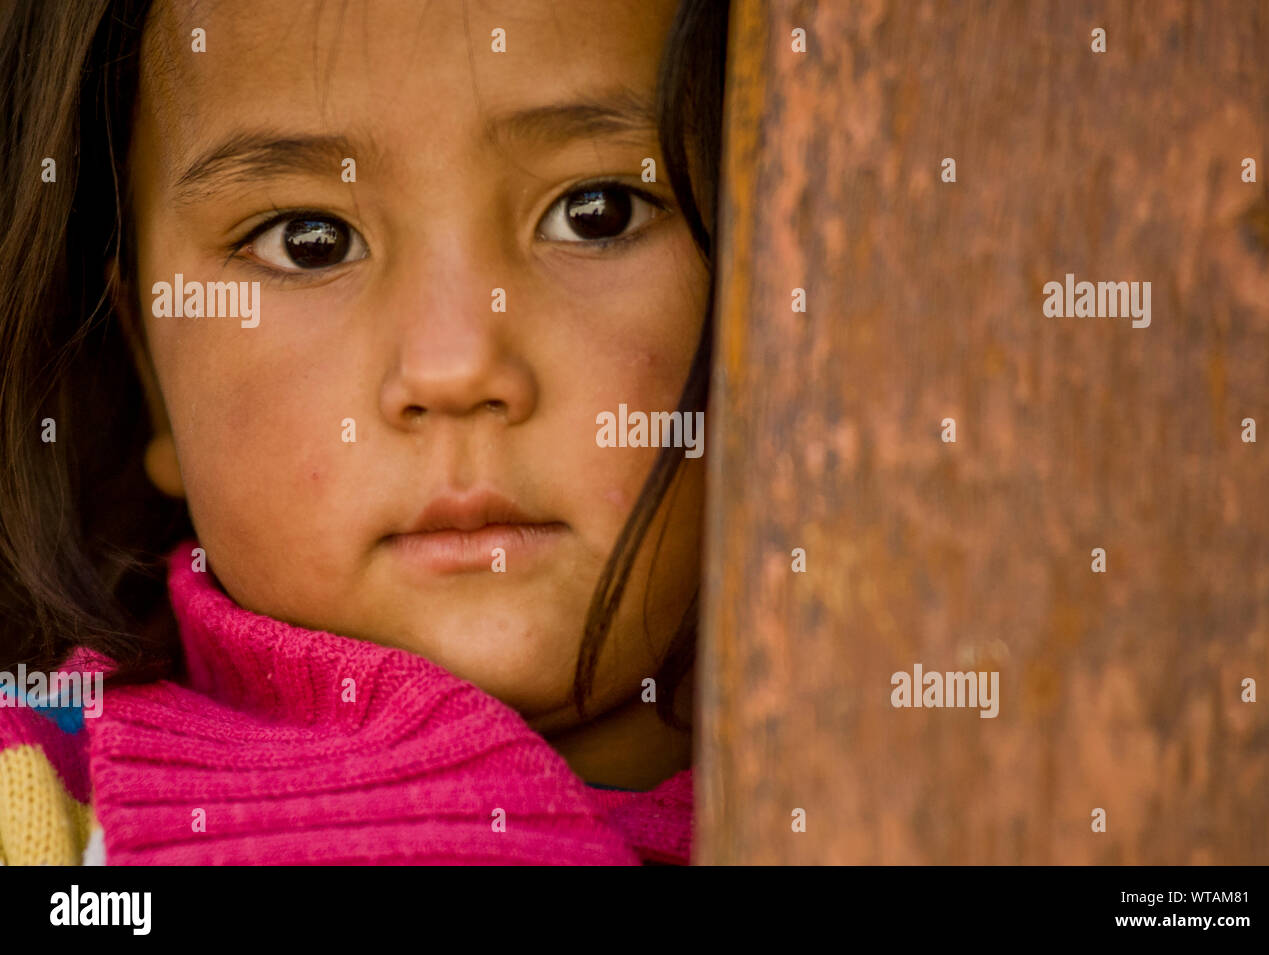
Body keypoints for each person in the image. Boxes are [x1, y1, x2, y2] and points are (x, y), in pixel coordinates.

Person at [0, 0, 726, 865]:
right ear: (152, 372)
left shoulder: (905, 785)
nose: (453, 367)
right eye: (310, 242)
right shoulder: (38, 807)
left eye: (596, 211)